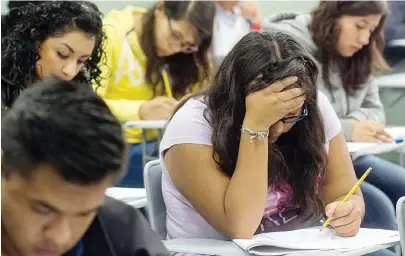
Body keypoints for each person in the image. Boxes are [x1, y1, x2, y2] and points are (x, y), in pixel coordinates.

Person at [263, 0, 405, 233]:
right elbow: (301, 116)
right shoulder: (288, 47)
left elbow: (376, 111)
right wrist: (349, 128)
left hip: (353, 157)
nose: (365, 39)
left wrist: (352, 124)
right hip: (311, 163)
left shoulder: (360, 51)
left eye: (371, 29)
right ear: (334, 15)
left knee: (402, 184)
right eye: (360, 26)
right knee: (380, 209)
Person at [1, 78, 169, 256]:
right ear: (3, 168)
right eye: (43, 209)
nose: (61, 237)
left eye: (84, 214)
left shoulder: (120, 234)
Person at [96, 0, 216, 188]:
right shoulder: (110, 33)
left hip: (160, 145)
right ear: (160, 9)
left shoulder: (186, 57)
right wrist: (140, 111)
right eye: (175, 35)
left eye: (188, 45)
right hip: (113, 145)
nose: (175, 48)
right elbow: (86, 102)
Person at [1, 1, 105, 109]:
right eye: (62, 54)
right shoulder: (4, 88)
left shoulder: (80, 93)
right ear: (37, 39)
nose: (70, 71)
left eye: (81, 61)